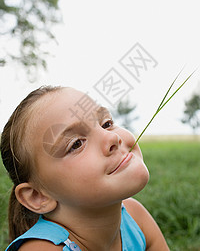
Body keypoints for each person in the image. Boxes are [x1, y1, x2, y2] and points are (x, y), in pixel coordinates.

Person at [1, 86, 169, 251]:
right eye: (76, 144)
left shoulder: (135, 215)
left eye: (106, 123)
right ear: (38, 196)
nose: (112, 137)